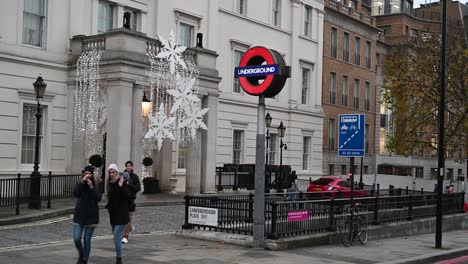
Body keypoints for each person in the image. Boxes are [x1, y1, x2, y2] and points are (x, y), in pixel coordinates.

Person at [73, 165, 102, 264]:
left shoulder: (96, 183)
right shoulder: (80, 183)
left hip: (91, 215)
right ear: (83, 174)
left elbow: (98, 198)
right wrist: (82, 182)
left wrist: (91, 187)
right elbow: (76, 193)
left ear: (92, 175)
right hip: (80, 215)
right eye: (86, 173)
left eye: (89, 174)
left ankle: (84, 260)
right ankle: (81, 255)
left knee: (86, 239)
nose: (87, 176)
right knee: (77, 238)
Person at [105, 164, 130, 264]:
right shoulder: (109, 183)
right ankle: (118, 257)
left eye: (113, 172)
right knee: (116, 238)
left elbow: (127, 196)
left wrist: (120, 186)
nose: (111, 174)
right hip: (113, 215)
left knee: (116, 236)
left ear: (116, 172)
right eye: (110, 172)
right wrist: (108, 206)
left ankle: (119, 260)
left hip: (122, 214)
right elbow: (112, 198)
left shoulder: (122, 182)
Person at [122, 160, 141, 244]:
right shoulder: (122, 176)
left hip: (131, 200)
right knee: (123, 219)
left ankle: (125, 236)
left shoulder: (135, 177)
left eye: (129, 166)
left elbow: (137, 188)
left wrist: (129, 184)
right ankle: (129, 228)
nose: (128, 167)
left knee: (128, 219)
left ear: (132, 167)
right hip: (123, 200)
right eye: (127, 166)